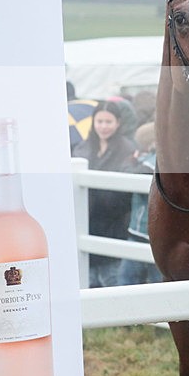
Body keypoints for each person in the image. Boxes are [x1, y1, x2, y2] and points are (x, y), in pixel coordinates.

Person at [72, 100, 137, 287]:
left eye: (108, 122)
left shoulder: (128, 149)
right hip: (86, 227)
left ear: (118, 123)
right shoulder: (82, 148)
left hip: (113, 230)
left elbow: (123, 195)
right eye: (99, 121)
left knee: (115, 291)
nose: (103, 126)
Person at [117, 122, 163, 285]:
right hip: (140, 232)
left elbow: (129, 175)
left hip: (144, 232)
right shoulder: (149, 160)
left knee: (128, 280)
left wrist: (131, 160)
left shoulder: (151, 162)